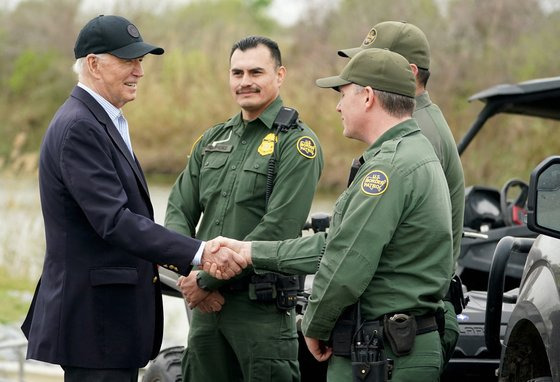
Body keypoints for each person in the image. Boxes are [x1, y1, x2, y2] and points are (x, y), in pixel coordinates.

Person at [20, 15, 246, 382]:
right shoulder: (80, 126)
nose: (139, 71)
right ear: (93, 64)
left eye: (140, 61)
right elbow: (115, 221)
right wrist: (200, 253)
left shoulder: (102, 120)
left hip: (107, 326)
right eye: (128, 60)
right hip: (95, 326)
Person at [207, 48, 454, 381]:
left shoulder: (389, 168)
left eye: (342, 94)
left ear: (367, 97)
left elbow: (346, 261)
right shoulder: (414, 152)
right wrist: (250, 251)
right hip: (397, 347)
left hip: (385, 354)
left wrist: (314, 323)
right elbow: (338, 242)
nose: (338, 105)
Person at [165, 35, 323, 381]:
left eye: (256, 72)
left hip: (259, 313)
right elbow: (178, 207)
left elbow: (279, 228)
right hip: (206, 312)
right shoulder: (213, 139)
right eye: (237, 73)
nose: (245, 82)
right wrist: (188, 270)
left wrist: (206, 280)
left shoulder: (297, 144)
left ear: (279, 75)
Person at [338, 21, 465, 366]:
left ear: (408, 72)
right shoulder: (420, 123)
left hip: (407, 322)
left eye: (377, 61)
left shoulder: (415, 132)